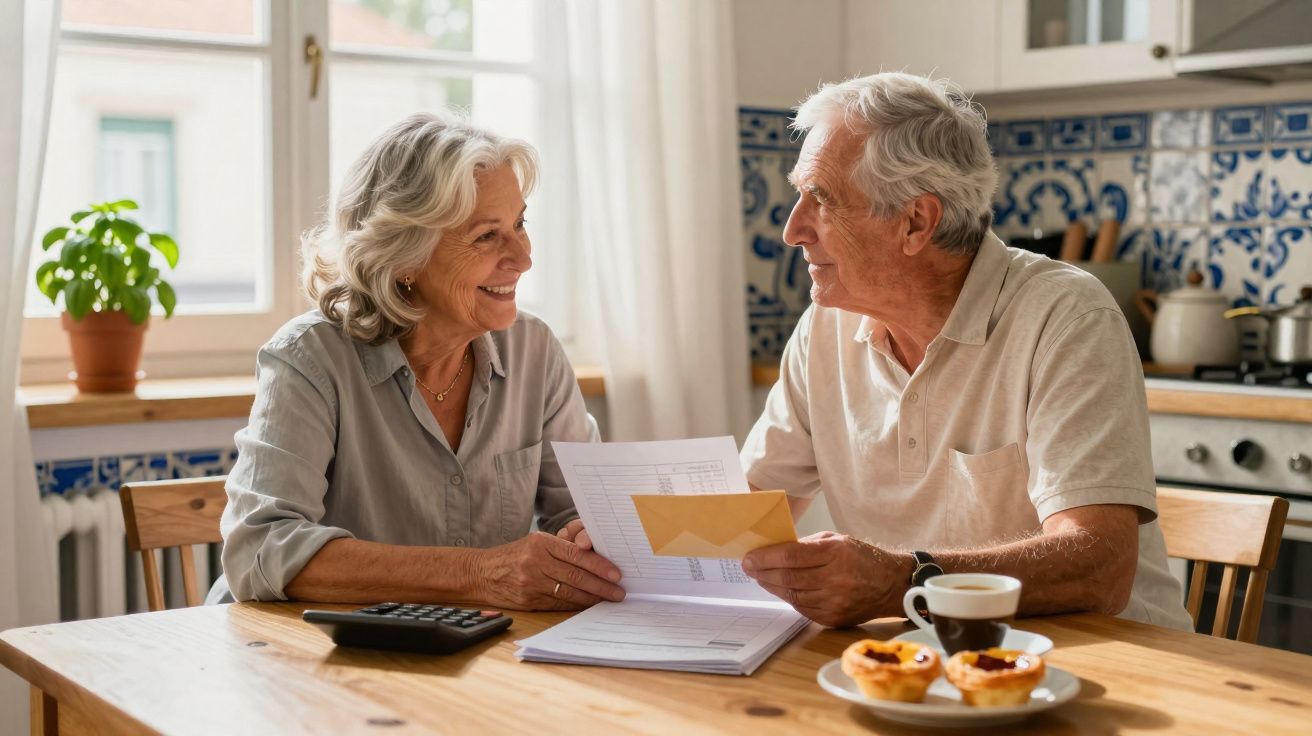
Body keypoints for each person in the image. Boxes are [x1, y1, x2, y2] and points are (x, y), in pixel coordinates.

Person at [739, 73, 1192, 631]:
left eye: (822, 199)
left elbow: (1100, 565)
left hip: (1114, 667)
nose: (792, 230)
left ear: (915, 221)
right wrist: (611, 551)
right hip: (928, 660)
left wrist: (899, 582)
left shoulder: (1066, 316)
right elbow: (748, 510)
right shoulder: (823, 330)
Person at [207, 113, 623, 610]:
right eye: (487, 236)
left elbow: (579, 514)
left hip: (467, 653)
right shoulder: (310, 358)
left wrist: (590, 537)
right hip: (304, 657)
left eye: (519, 224)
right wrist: (481, 574)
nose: (522, 257)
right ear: (405, 256)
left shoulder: (534, 350)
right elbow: (260, 549)